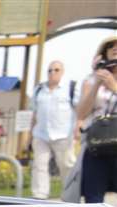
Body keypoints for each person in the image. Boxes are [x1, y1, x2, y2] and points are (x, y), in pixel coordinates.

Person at [74, 36, 117, 207]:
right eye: (111, 47)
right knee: (93, 202)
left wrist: (114, 87)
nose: (115, 49)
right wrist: (97, 83)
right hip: (97, 148)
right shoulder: (91, 80)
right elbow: (81, 113)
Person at [29, 62, 77, 199]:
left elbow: (79, 110)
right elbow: (34, 113)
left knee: (66, 165)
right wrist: (29, 135)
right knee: (39, 165)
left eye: (56, 70)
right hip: (41, 134)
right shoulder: (39, 89)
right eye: (49, 70)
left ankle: (69, 195)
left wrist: (77, 129)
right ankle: (39, 195)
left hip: (63, 134)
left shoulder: (70, 88)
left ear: (62, 72)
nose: (52, 73)